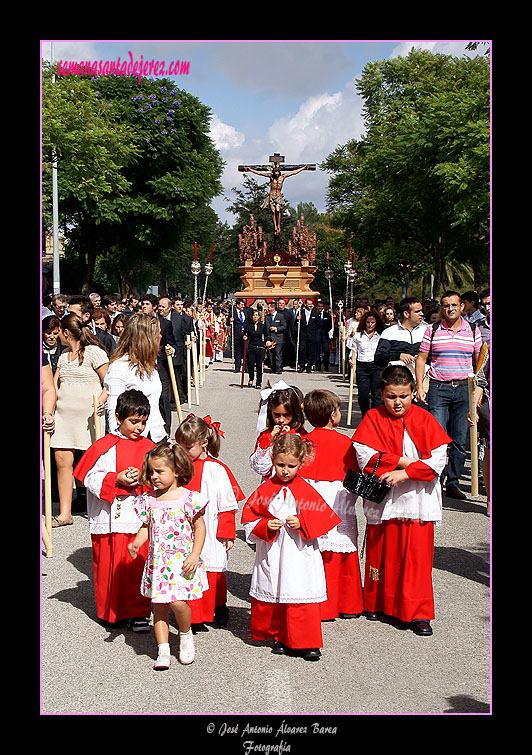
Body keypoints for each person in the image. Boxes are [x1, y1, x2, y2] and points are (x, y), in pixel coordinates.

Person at [352, 365, 451, 636]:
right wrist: (404, 462)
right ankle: (376, 603)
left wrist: (405, 474)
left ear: (413, 394)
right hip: (385, 502)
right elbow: (364, 455)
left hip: (416, 501)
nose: (397, 403)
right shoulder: (373, 418)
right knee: (381, 554)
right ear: (381, 394)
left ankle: (416, 613)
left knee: (415, 561)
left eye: (404, 396)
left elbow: (436, 462)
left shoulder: (425, 419)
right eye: (391, 397)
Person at [241, 433, 341, 661]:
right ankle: (280, 636)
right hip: (274, 550)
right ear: (273, 461)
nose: (285, 470)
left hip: (299, 552)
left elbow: (323, 520)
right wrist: (267, 525)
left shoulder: (306, 490)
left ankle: (308, 642)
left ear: (301, 463)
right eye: (280, 465)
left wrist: (303, 522)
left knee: (299, 590)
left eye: (291, 466)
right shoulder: (266, 488)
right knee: (277, 589)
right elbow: (250, 519)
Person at [73, 390, 155, 629]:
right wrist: (115, 478)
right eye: (133, 421)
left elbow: (161, 478)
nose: (139, 427)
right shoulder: (104, 447)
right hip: (109, 517)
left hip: (137, 519)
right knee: (108, 565)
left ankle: (138, 611)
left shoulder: (150, 448)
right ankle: (111, 612)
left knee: (136, 563)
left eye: (143, 422)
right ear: (118, 418)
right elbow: (88, 476)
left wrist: (144, 478)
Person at [128, 442, 208, 669]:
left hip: (181, 563)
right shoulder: (149, 500)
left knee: (178, 602)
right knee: (159, 606)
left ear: (177, 470)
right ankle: (163, 650)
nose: (154, 476)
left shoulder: (188, 498)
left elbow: (199, 527)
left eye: (160, 471)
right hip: (158, 563)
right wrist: (136, 542)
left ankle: (185, 634)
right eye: (151, 471)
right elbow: (146, 526)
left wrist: (195, 554)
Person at [175, 414, 245, 630]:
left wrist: (227, 531)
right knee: (188, 568)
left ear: (203, 443)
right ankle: (193, 616)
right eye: (180, 447)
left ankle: (219, 605)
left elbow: (227, 504)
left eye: (187, 447)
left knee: (213, 569)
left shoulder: (217, 470)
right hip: (183, 528)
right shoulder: (177, 466)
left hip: (211, 526)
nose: (183, 452)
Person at [302, 390, 364, 621]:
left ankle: (321, 606)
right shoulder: (346, 443)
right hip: (340, 501)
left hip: (314, 503)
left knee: (318, 552)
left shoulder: (304, 443)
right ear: (334, 416)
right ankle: (348, 604)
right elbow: (355, 474)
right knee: (342, 552)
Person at [415, 290, 482, 500]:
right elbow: (421, 359)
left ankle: (452, 482)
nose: (450, 309)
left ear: (462, 306)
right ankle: (435, 479)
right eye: (446, 305)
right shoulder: (433, 330)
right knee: (436, 439)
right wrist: (419, 386)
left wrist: (478, 392)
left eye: (454, 305)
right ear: (442, 308)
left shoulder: (473, 330)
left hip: (464, 388)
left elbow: (480, 363)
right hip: (439, 388)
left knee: (460, 440)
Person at [50, 314, 109, 527]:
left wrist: (101, 400)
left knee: (93, 462)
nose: (57, 337)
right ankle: (65, 514)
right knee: (62, 462)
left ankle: (100, 508)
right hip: (64, 417)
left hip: (88, 418)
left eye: (58, 333)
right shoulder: (64, 356)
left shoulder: (94, 352)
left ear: (66, 333)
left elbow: (109, 381)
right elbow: (55, 385)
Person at [104, 313, 167, 443]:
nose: (160, 337)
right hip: (133, 440)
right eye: (157, 334)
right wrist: (119, 445)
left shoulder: (150, 364)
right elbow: (113, 410)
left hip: (156, 434)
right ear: (146, 339)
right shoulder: (120, 367)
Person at [250, 381, 307, 478]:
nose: (281, 420)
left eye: (286, 415)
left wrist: (291, 436)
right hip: (272, 481)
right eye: (276, 415)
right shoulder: (266, 434)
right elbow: (259, 465)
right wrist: (269, 438)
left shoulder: (300, 433)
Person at [140, 294, 177, 435]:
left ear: (154, 307)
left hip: (160, 367)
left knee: (163, 400)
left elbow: (172, 343)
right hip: (141, 366)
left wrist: (170, 349)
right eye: (142, 304)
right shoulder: (137, 323)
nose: (144, 306)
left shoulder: (165, 324)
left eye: (147, 304)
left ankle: (166, 432)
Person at [374, 297, 427, 378]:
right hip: (396, 381)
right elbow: (379, 357)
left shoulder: (427, 331)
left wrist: (422, 357)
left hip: (421, 382)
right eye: (417, 311)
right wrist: (398, 356)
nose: (422, 314)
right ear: (406, 314)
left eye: (421, 310)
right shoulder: (389, 332)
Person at [347, 309, 385, 416]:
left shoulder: (380, 335)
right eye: (368, 322)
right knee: (363, 395)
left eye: (372, 323)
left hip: (376, 366)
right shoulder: (358, 335)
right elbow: (353, 349)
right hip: (362, 366)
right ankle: (365, 415)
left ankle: (375, 416)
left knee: (376, 395)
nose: (370, 325)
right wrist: (351, 358)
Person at [244, 309, 270, 389]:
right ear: (251, 317)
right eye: (254, 315)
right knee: (251, 365)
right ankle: (251, 378)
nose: (255, 317)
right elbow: (245, 333)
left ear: (259, 317)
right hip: (251, 347)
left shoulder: (262, 326)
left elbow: (267, 334)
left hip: (260, 347)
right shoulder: (248, 325)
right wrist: (244, 336)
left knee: (259, 366)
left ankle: (258, 382)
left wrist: (268, 341)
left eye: (256, 315)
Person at [264, 301, 287, 375]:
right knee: (271, 354)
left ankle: (279, 368)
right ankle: (273, 368)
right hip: (270, 338)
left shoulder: (280, 316)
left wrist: (276, 328)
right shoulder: (267, 317)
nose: (268, 309)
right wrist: (267, 339)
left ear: (273, 308)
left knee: (278, 354)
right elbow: (265, 329)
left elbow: (284, 326)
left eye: (269, 307)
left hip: (278, 338)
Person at [297, 297, 319, 372]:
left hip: (311, 335)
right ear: (305, 304)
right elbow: (296, 324)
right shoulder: (301, 312)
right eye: (308, 304)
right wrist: (297, 319)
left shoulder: (315, 313)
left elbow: (319, 324)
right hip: (303, 335)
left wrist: (313, 330)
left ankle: (309, 366)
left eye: (311, 304)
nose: (310, 306)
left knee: (310, 351)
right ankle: (302, 365)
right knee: (302, 350)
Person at [232, 300, 251, 373]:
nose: (243, 306)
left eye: (243, 305)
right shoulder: (233, 312)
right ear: (237, 305)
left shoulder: (246, 312)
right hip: (237, 334)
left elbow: (248, 321)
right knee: (238, 352)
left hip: (245, 333)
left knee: (246, 351)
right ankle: (237, 367)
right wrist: (230, 320)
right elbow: (227, 323)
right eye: (241, 305)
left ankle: (246, 367)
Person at [314, 300, 332, 371]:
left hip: (325, 336)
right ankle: (317, 366)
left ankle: (326, 365)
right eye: (319, 306)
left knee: (326, 351)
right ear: (317, 307)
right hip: (317, 336)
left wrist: (325, 331)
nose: (320, 308)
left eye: (322, 306)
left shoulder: (327, 315)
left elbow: (330, 325)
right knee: (317, 352)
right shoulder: (314, 314)